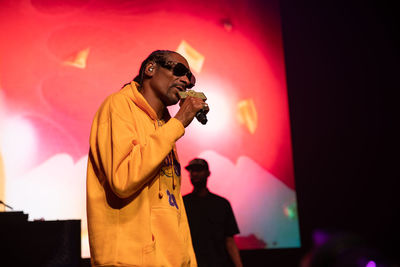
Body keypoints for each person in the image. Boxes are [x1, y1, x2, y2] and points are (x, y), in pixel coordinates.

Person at [86, 50, 209, 266]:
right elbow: (122, 180)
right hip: (129, 259)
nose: (186, 81)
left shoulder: (164, 125)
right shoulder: (118, 106)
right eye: (179, 71)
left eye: (190, 78)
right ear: (150, 69)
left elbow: (174, 204)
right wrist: (178, 123)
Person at [183, 158, 243, 267]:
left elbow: (229, 240)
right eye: (192, 171)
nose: (194, 174)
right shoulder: (182, 204)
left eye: (198, 170)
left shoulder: (222, 204)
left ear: (208, 173)